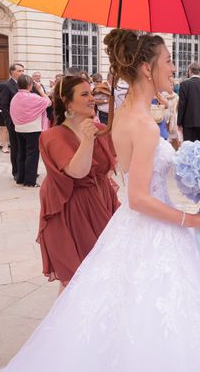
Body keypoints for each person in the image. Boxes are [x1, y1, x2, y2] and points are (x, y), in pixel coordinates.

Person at [0, 30, 200, 372]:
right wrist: (192, 220)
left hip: (131, 227)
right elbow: (139, 197)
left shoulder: (126, 114)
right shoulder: (139, 122)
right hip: (152, 227)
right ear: (146, 68)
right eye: (168, 61)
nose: (174, 67)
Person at [35, 75, 119, 295]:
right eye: (84, 94)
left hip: (102, 201)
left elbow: (111, 165)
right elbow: (77, 171)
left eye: (91, 93)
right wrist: (88, 139)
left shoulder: (100, 128)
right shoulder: (52, 136)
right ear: (67, 101)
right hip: (73, 210)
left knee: (108, 269)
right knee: (78, 277)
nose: (92, 98)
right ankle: (68, 325)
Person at [10, 75, 51, 187]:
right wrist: (40, 90)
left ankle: (20, 178)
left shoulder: (16, 97)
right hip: (32, 128)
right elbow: (48, 102)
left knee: (21, 153)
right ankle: (30, 181)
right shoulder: (32, 97)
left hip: (19, 127)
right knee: (32, 155)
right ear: (30, 85)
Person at [0, 63, 25, 181]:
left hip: (25, 122)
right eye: (19, 71)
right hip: (13, 122)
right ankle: (16, 171)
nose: (22, 73)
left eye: (23, 71)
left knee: (24, 147)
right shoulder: (6, 85)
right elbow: (3, 106)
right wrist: (9, 121)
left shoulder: (24, 84)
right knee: (15, 147)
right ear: (12, 72)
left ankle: (25, 170)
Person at [177, 62, 200, 142]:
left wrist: (179, 122)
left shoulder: (184, 85)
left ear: (189, 71)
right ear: (199, 72)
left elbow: (182, 105)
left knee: (189, 148)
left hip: (188, 122)